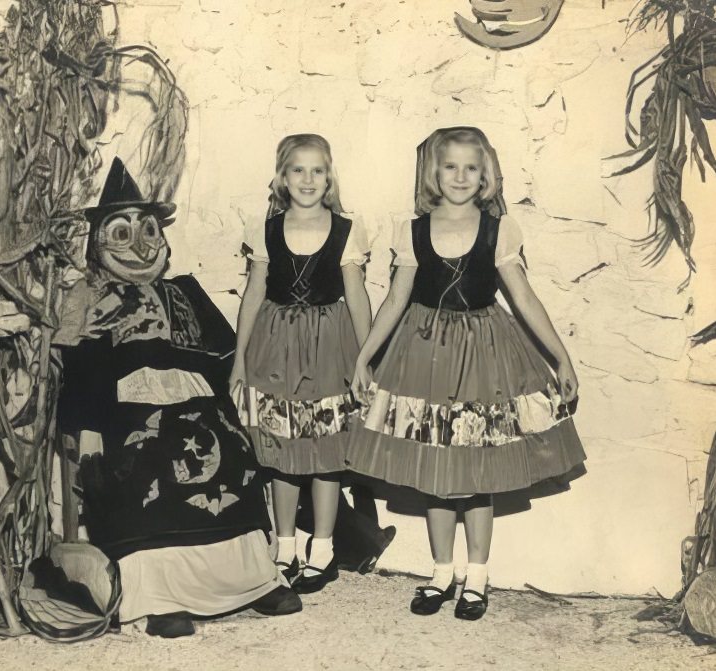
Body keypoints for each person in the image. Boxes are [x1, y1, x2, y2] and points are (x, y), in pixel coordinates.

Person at [55, 158, 301, 639]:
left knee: (232, 453)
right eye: (122, 234)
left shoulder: (184, 291)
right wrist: (86, 430)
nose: (141, 245)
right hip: (124, 406)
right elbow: (79, 371)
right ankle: (163, 599)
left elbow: (225, 354)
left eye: (148, 231)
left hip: (197, 398)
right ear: (98, 242)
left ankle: (255, 581)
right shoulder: (88, 297)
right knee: (148, 463)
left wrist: (236, 399)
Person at [347, 127, 586, 620]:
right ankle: (441, 574)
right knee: (436, 474)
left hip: (484, 356)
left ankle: (476, 578)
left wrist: (561, 357)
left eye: (471, 168)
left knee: (478, 475)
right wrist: (363, 356)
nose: (460, 176)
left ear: (485, 176)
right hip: (424, 357)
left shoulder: (499, 230)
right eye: (450, 167)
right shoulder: (413, 231)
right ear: (434, 173)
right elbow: (395, 299)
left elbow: (522, 298)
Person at [230, 134, 372, 593]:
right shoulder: (267, 228)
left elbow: (356, 295)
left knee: (325, 452)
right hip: (276, 347)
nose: (307, 180)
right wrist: (239, 359)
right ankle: (284, 546)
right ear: (282, 177)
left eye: (317, 170)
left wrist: (366, 358)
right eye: (298, 170)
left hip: (330, 346)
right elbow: (253, 294)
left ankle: (323, 549)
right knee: (281, 451)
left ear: (329, 177)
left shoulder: (347, 228)